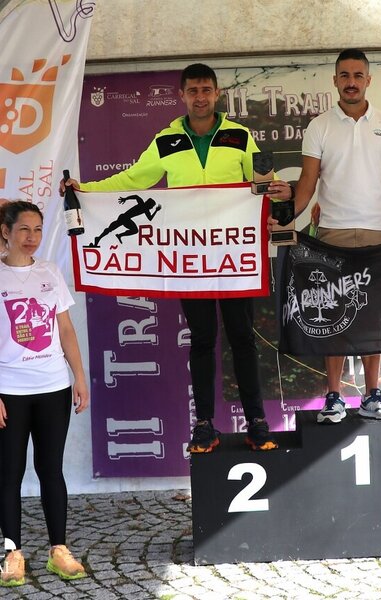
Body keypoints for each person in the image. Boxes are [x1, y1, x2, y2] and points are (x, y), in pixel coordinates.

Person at [61, 63, 292, 452]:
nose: (200, 97)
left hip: (233, 255)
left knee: (242, 338)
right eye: (193, 91)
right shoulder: (167, 140)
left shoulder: (239, 136)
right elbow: (133, 179)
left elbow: (260, 183)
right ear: (182, 95)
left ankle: (256, 422)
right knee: (202, 340)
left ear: (217, 93)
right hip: (190, 259)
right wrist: (86, 189)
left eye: (206, 90)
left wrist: (278, 190)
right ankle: (204, 425)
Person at [286, 48, 381, 424]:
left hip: (377, 233)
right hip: (332, 233)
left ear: (368, 80)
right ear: (335, 80)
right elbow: (307, 183)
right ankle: (334, 397)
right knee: (333, 315)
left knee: (372, 318)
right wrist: (285, 217)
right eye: (345, 75)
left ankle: (373, 394)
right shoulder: (319, 126)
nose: (351, 82)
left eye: (358, 75)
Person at [0, 201, 89, 586]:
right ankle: (12, 553)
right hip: (9, 391)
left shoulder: (50, 272)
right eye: (23, 229)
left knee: (51, 469)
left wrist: (79, 377)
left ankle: (59, 550)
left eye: (37, 229)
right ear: (6, 232)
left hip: (53, 387)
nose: (32, 237)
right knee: (9, 473)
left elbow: (65, 329)